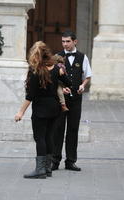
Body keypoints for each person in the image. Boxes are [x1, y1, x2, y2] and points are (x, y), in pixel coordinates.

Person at [15, 41, 71, 179]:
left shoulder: (36, 71)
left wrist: (20, 112)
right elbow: (69, 83)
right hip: (54, 108)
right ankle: (47, 168)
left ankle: (40, 170)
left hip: (41, 109)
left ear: (35, 55)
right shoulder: (57, 68)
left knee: (40, 138)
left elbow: (30, 96)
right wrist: (62, 78)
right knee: (48, 137)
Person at [52, 30, 92, 171]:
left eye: (68, 41)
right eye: (63, 41)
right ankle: (55, 160)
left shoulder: (82, 57)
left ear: (75, 42)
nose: (65, 44)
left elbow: (87, 75)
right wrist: (60, 88)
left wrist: (82, 85)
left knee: (73, 129)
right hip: (60, 100)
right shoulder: (57, 57)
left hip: (76, 99)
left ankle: (70, 161)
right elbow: (52, 77)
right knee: (58, 129)